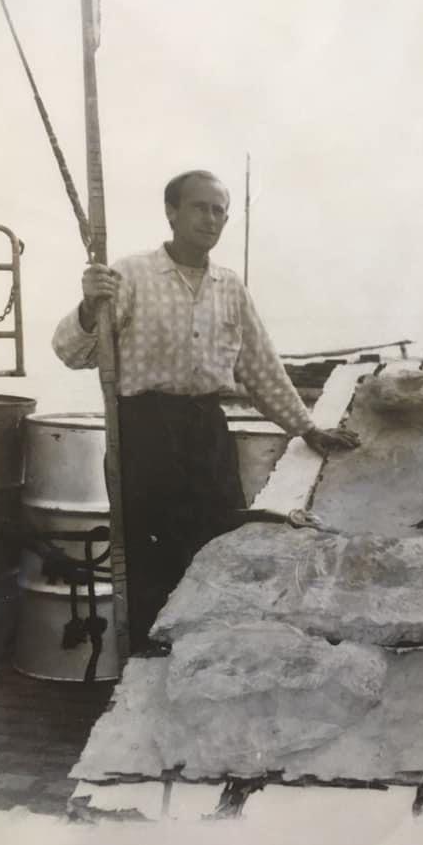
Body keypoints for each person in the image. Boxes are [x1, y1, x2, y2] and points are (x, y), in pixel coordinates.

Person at [52, 169, 359, 650]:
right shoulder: (128, 275)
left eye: (220, 210)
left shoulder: (229, 287)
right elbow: (72, 353)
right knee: (145, 546)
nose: (211, 218)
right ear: (172, 212)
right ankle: (145, 660)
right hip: (143, 429)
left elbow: (260, 366)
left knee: (218, 535)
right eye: (200, 207)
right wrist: (91, 307)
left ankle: (207, 647)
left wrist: (306, 427)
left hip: (205, 427)